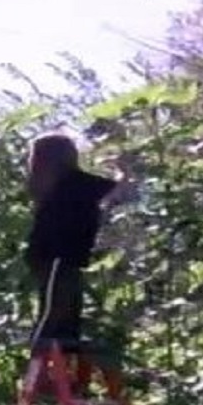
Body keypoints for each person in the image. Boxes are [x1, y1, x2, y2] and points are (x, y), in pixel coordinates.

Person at [23, 131, 135, 352]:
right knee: (56, 307)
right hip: (59, 254)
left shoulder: (48, 184)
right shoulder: (75, 182)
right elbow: (122, 192)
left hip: (53, 254)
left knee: (65, 302)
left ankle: (61, 349)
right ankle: (44, 350)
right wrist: (124, 169)